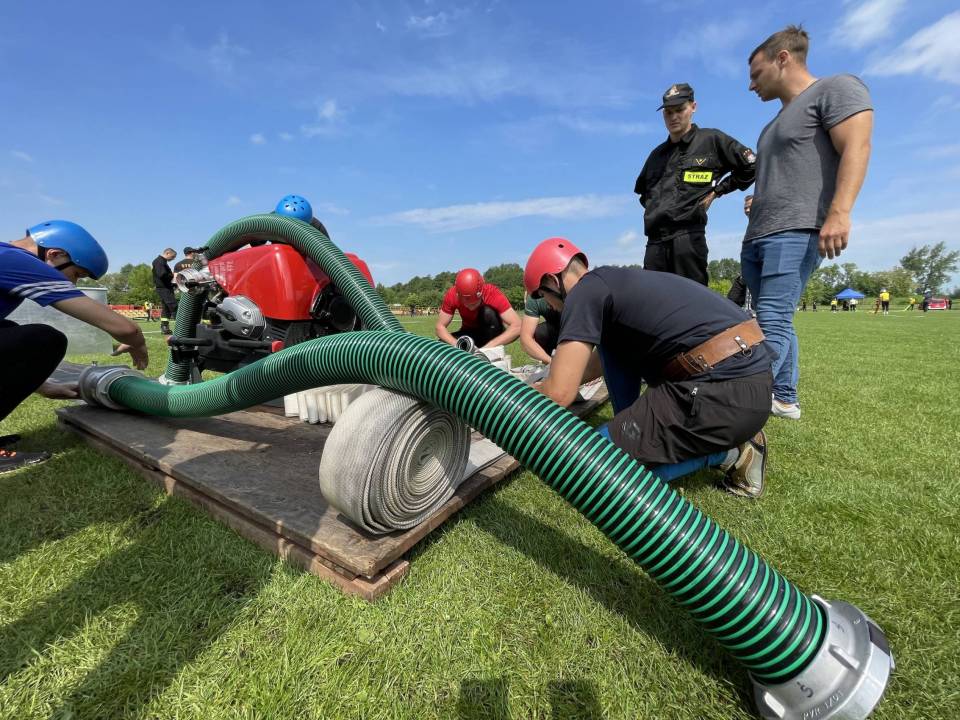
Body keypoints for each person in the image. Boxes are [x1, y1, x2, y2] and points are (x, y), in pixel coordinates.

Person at [524, 237, 773, 497]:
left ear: (553, 281)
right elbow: (595, 365)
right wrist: (552, 380)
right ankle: (632, 431)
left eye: (542, 295)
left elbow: (559, 394)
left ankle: (732, 454)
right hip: (747, 384)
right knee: (610, 345)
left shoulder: (583, 293)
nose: (547, 305)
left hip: (719, 393)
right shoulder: (611, 284)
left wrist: (527, 394)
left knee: (590, 469)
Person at [741, 25, 873, 420]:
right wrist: (760, 198)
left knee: (771, 319)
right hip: (759, 233)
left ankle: (741, 406)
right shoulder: (771, 125)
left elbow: (857, 146)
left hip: (796, 230)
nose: (751, 86)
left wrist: (839, 212)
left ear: (783, 58)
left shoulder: (836, 88)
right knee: (774, 318)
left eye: (756, 74)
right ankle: (784, 397)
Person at [0, 221, 149, 473]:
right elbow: (126, 329)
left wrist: (45, 387)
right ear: (55, 254)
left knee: (9, 331)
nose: (75, 283)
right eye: (77, 274)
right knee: (44, 340)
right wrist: (138, 343)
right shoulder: (18, 261)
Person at [634, 84, 757, 286]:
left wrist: (717, 191)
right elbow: (644, 195)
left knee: (692, 299)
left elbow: (752, 166)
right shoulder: (656, 155)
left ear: (693, 107)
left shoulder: (711, 140)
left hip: (687, 239)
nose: (674, 117)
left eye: (679, 110)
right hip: (655, 245)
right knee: (653, 301)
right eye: (668, 112)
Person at [436, 268, 521, 349]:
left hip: (491, 333)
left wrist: (488, 348)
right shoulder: (452, 295)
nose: (468, 307)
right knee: (442, 344)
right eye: (464, 303)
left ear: (480, 294)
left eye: (473, 304)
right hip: (469, 332)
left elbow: (518, 325)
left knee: (487, 312)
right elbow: (440, 327)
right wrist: (457, 344)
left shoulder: (492, 293)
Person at [519, 290, 562, 364]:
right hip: (555, 330)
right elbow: (526, 338)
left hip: (576, 330)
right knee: (541, 332)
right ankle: (549, 364)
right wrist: (550, 361)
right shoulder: (534, 298)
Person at [152, 247, 178, 334]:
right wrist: (173, 275)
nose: (173, 259)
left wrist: (173, 284)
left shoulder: (162, 262)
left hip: (165, 287)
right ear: (167, 253)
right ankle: (182, 327)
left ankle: (164, 327)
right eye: (172, 257)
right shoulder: (159, 261)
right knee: (174, 306)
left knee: (166, 308)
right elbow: (162, 275)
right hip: (164, 288)